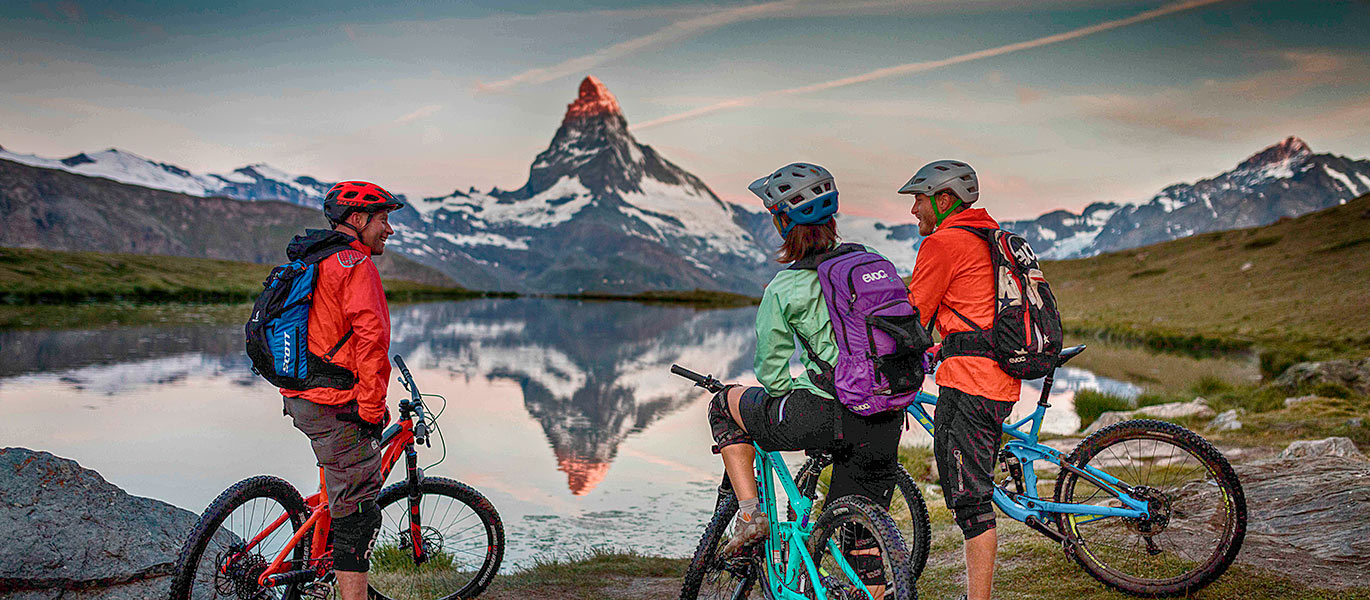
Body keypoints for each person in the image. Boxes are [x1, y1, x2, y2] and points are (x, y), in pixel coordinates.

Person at [706, 162, 904, 594]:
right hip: (885, 416)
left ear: (783, 224)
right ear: (832, 219)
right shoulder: (872, 265)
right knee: (862, 538)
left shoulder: (785, 287)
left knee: (723, 404)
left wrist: (797, 391)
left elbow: (772, 373)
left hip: (820, 413)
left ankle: (750, 515)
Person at [900, 160, 1020, 600]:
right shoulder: (990, 236)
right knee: (976, 490)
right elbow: (977, 314)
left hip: (970, 386)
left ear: (943, 199)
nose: (914, 210)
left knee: (971, 507)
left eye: (918, 198)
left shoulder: (943, 243)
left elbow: (913, 320)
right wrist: (940, 349)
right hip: (1000, 379)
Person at [281, 180, 403, 599]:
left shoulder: (315, 257)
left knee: (339, 488)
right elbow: (372, 341)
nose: (389, 229)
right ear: (358, 219)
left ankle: (315, 569)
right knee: (359, 516)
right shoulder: (354, 264)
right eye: (383, 220)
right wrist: (372, 409)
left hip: (300, 395)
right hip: (335, 403)